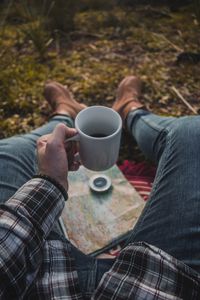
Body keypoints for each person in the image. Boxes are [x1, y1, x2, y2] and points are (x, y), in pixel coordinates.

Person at [0, 76, 200, 300]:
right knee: (192, 132)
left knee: (10, 151)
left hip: (41, 271)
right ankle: (132, 111)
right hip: (157, 278)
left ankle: (66, 114)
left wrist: (50, 180)